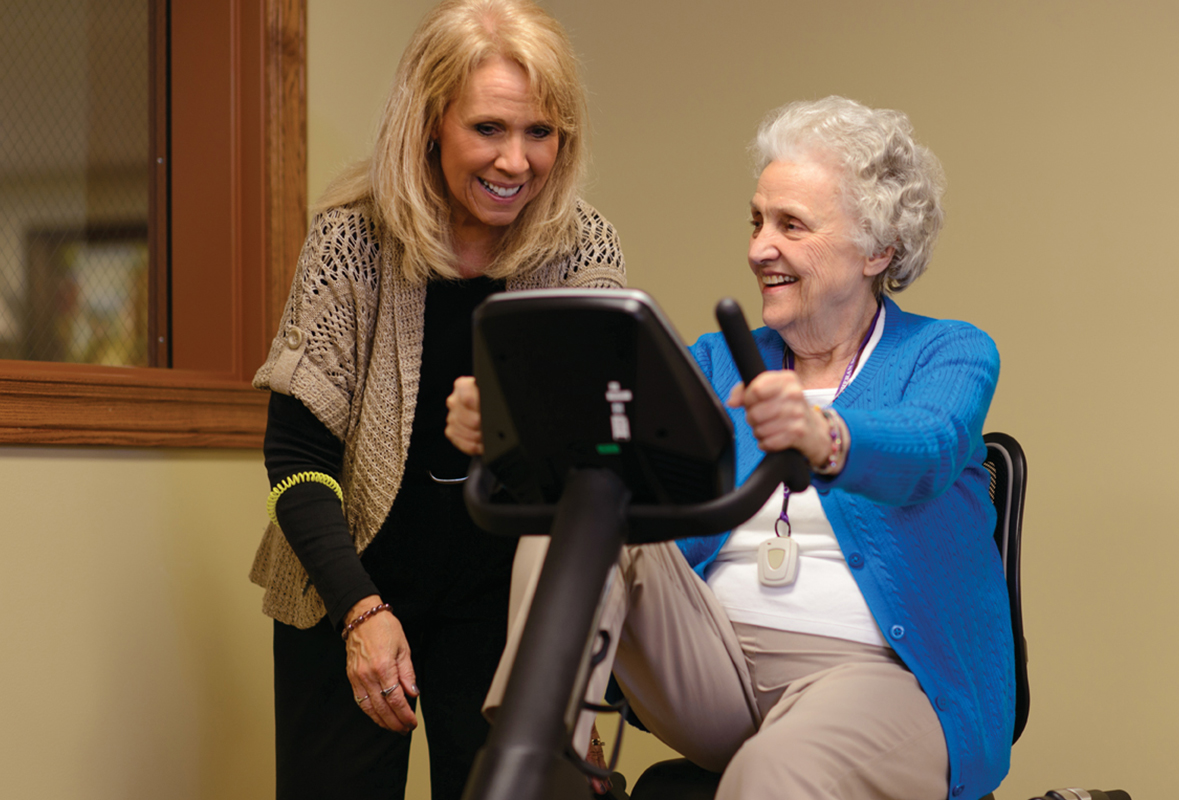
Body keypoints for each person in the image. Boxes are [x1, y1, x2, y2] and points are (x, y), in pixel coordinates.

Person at [451, 96, 1013, 800]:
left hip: (881, 682)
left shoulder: (945, 351)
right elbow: (601, 447)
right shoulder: (717, 363)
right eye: (756, 221)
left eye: (791, 225)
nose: (757, 248)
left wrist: (827, 434)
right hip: (714, 671)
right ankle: (537, 759)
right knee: (582, 513)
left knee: (770, 773)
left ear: (878, 249)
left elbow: (932, 443)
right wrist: (511, 430)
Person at [250, 2, 625, 798]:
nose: (516, 161)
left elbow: (597, 457)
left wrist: (582, 679)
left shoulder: (583, 250)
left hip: (506, 610)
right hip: (344, 589)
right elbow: (295, 458)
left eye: (540, 133)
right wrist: (361, 614)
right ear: (430, 122)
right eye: (488, 128)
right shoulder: (349, 242)